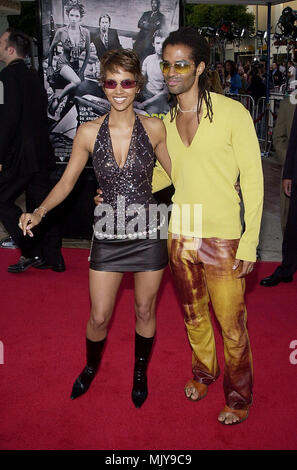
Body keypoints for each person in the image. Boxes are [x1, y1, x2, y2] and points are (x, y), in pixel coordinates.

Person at [18, 49, 171, 408]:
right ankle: (90, 367)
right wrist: (38, 212)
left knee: (146, 310)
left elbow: (180, 174)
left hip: (148, 229)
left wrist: (226, 184)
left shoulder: (154, 127)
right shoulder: (88, 132)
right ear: (103, 85)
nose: (119, 89)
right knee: (99, 315)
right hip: (108, 232)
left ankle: (139, 373)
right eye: (111, 82)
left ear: (138, 86)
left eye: (127, 82)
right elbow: (67, 182)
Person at [153, 28, 263, 425]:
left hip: (223, 237)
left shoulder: (233, 113)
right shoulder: (163, 120)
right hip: (180, 232)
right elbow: (164, 176)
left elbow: (252, 179)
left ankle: (238, 397)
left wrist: (250, 243)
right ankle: (203, 374)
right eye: (166, 63)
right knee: (193, 316)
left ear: (199, 67)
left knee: (232, 327)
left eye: (181, 63)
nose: (171, 71)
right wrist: (120, 192)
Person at [0, 28, 64, 273]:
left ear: (11, 49)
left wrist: (0, 156)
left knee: (2, 199)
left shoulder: (5, 78)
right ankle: (54, 257)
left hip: (20, 156)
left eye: (1, 42)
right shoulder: (33, 77)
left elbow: (6, 121)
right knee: (42, 204)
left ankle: (30, 250)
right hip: (41, 152)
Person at [260, 106, 297, 287]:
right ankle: (287, 268)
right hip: (295, 172)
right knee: (291, 226)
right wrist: (289, 170)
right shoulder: (292, 103)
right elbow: (289, 142)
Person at [46, 0, 90, 116]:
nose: (74, 19)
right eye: (71, 15)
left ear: (80, 18)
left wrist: (82, 70)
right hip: (63, 63)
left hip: (75, 66)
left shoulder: (86, 32)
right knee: (76, 81)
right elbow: (51, 50)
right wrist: (49, 66)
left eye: (77, 16)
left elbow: (88, 54)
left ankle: (61, 116)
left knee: (74, 95)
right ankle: (57, 99)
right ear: (68, 15)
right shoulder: (61, 32)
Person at [271, 98, 296, 233]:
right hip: (292, 175)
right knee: (289, 229)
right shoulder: (289, 103)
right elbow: (279, 137)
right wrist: (291, 160)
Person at [137, 29, 168, 115]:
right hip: (145, 93)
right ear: (153, 44)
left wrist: (144, 104)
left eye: (163, 43)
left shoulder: (169, 64)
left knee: (148, 118)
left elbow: (165, 92)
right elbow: (140, 78)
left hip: (158, 98)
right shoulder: (148, 59)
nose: (161, 46)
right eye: (158, 43)